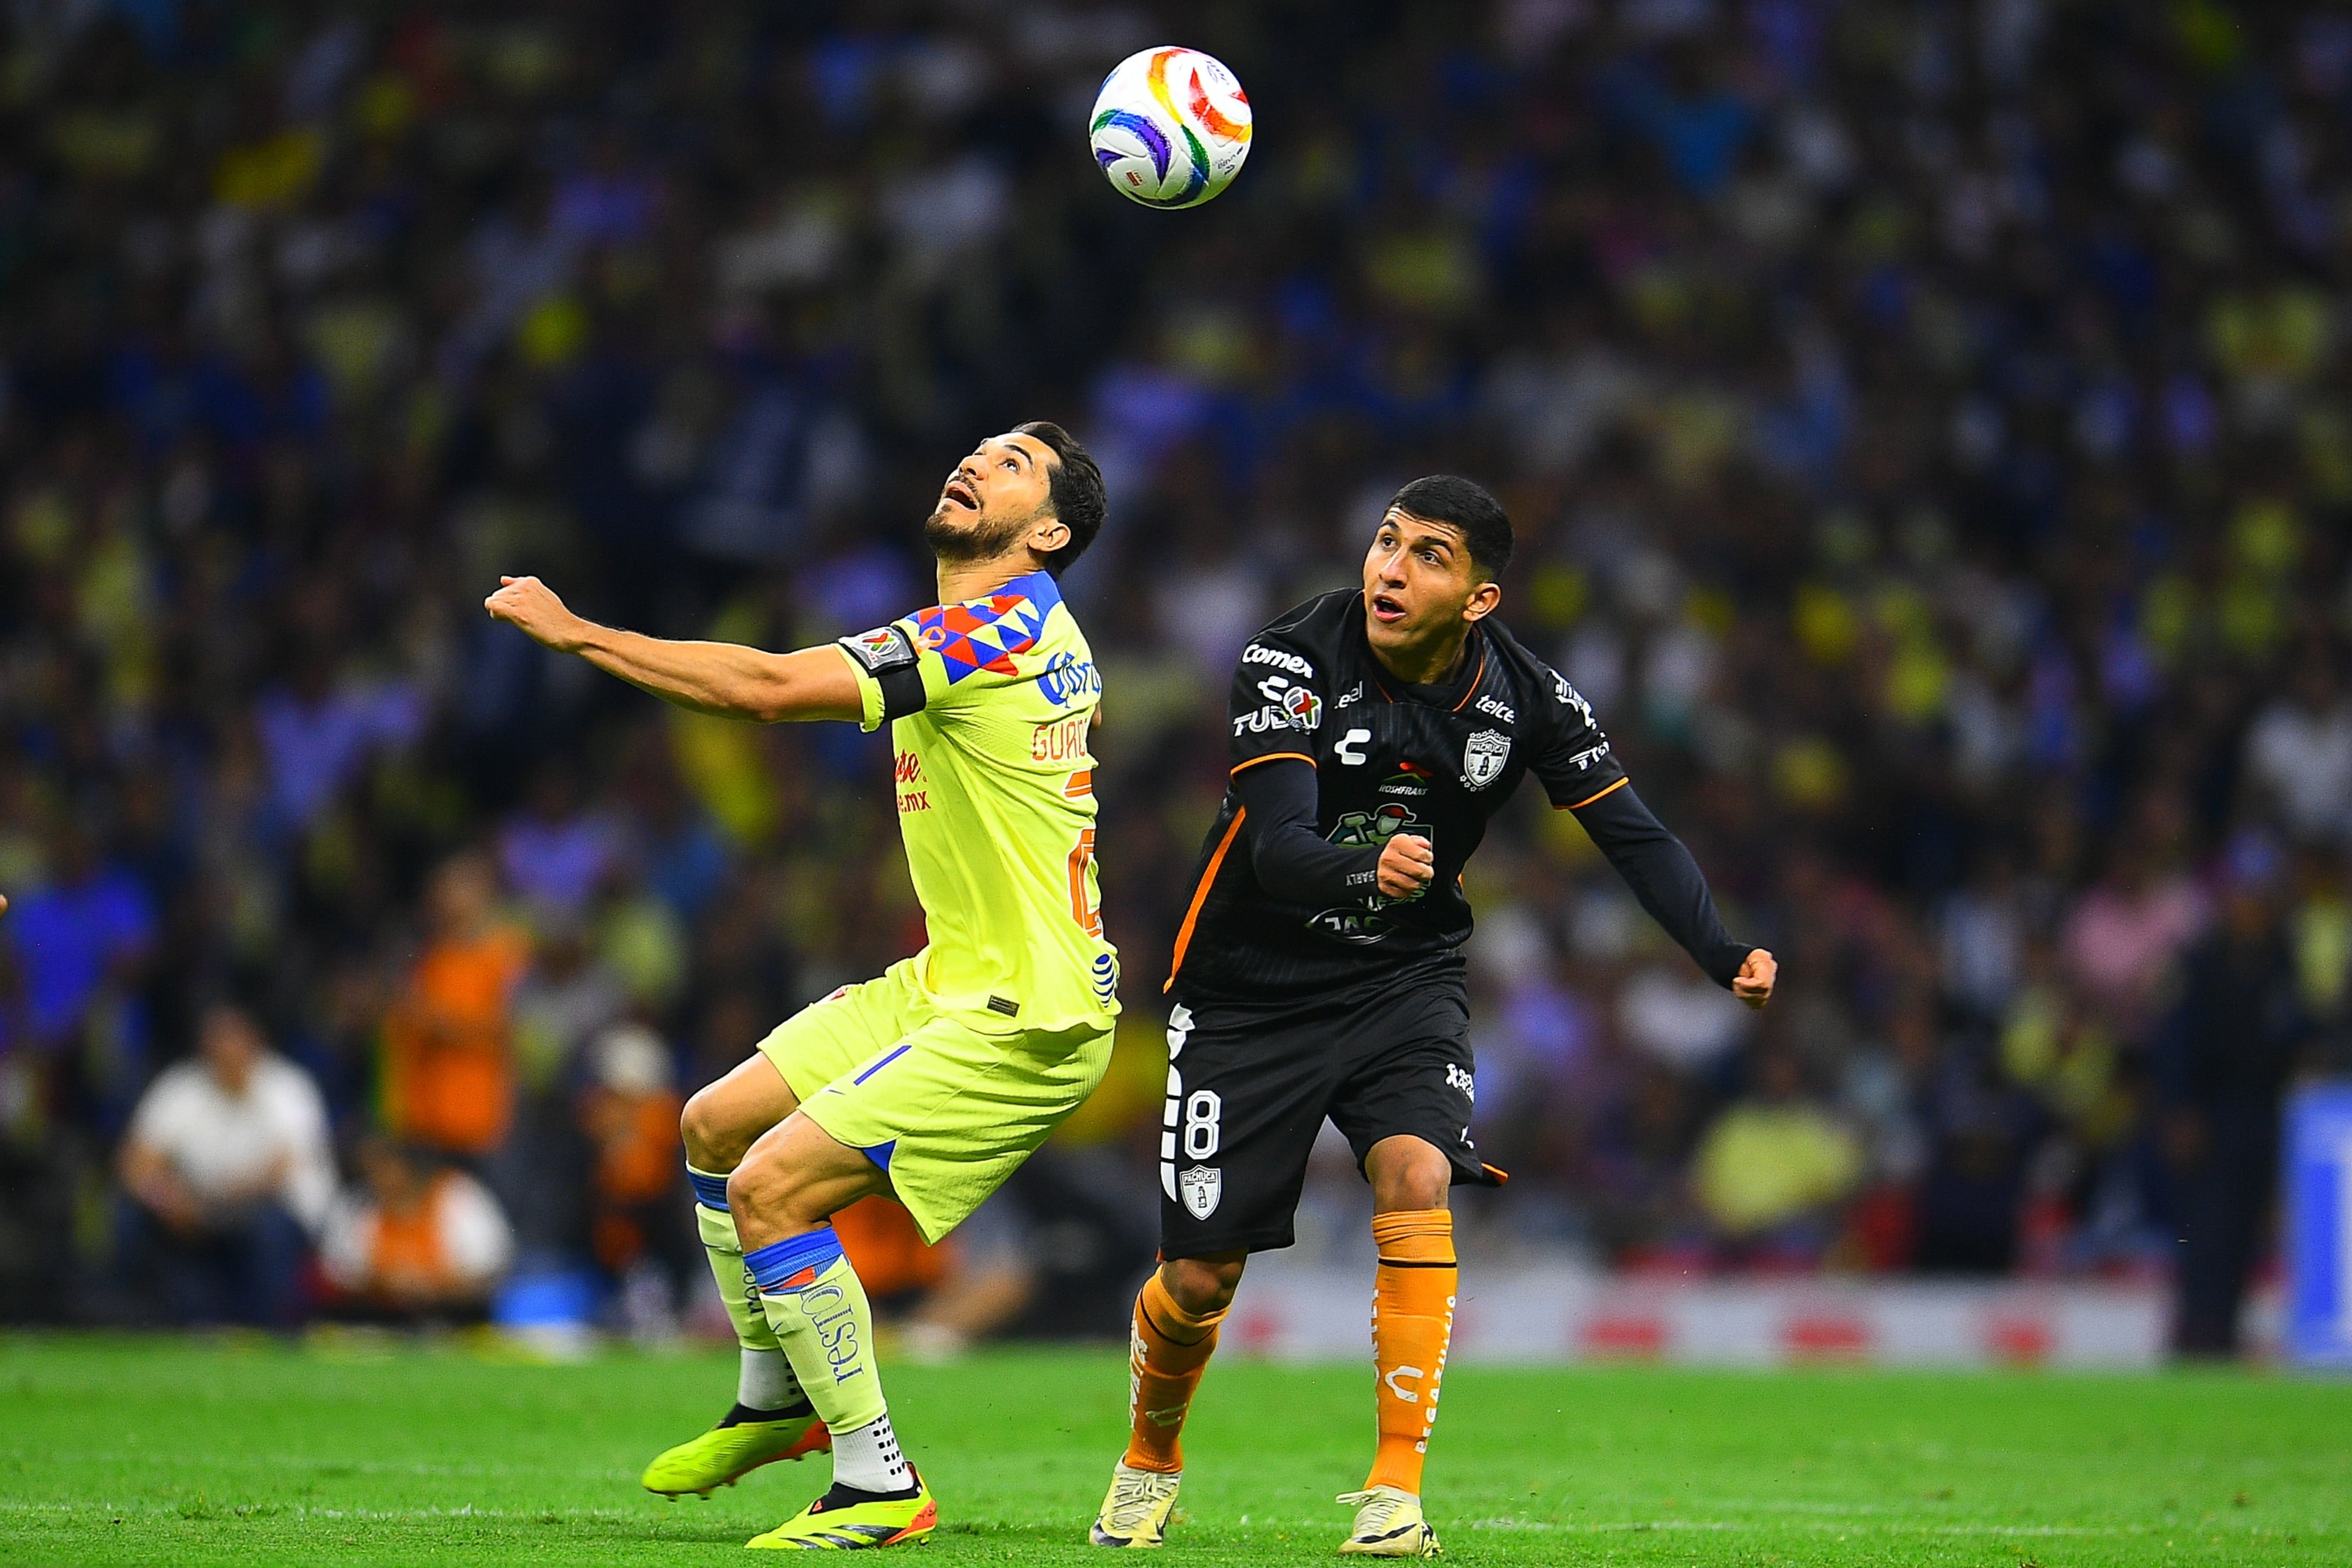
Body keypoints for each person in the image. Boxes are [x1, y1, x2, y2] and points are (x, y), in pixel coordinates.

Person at [1092, 476, 1775, 1556]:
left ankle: (1393, 1492)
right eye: (1386, 542)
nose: (1391, 569)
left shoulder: (1528, 699)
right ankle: (1149, 1459)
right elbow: (1275, 847)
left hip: (1401, 981)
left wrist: (1721, 949)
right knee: (1198, 1275)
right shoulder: (1290, 657)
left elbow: (1632, 834)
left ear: (1480, 597)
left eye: (1428, 555)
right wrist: (1369, 863)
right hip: (1247, 987)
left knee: (1415, 1173)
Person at [486, 422, 1115, 1551]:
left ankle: (878, 1482)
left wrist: (580, 634)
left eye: (1012, 465)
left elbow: (773, 690)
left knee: (775, 1188)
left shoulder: (997, 628)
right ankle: (775, 1398)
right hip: (952, 977)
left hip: (1029, 1012)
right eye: (975, 451)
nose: (973, 462)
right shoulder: (1010, 627)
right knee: (716, 1126)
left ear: (1052, 531)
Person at [118, 1002, 335, 1328]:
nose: (225, 1052)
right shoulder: (183, 1086)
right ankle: (159, 1327)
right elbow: (135, 1161)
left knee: (268, 1228)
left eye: (233, 1041)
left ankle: (272, 1330)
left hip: (275, 1208)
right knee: (131, 1213)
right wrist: (165, 1200)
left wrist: (209, 1204)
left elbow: (280, 1169)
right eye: (216, 1043)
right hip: (197, 1210)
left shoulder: (286, 1086)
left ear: (254, 1043)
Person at [318, 1137, 514, 1318]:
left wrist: (433, 1285)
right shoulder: (357, 1205)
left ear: (408, 1168)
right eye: (369, 1171)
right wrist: (382, 1284)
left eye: (384, 1167)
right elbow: (336, 1276)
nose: (376, 1178)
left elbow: (491, 1270)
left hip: (455, 1320)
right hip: (377, 1321)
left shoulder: (459, 1198)